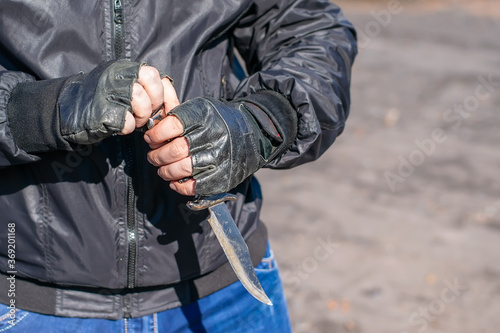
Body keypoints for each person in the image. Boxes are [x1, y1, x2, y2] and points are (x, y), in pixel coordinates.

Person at [0, 0, 357, 332]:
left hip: (224, 291)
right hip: (28, 301)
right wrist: (35, 113)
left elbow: (311, 28)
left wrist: (263, 122)